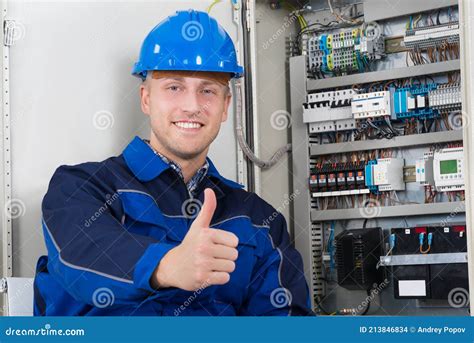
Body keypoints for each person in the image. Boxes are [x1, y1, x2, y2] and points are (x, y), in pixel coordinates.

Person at [33, 9, 311, 316]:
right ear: (146, 99)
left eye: (207, 90)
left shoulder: (259, 221)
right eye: (174, 87)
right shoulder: (82, 189)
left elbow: (287, 321)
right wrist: (166, 266)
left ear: (225, 106)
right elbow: (79, 259)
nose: (192, 106)